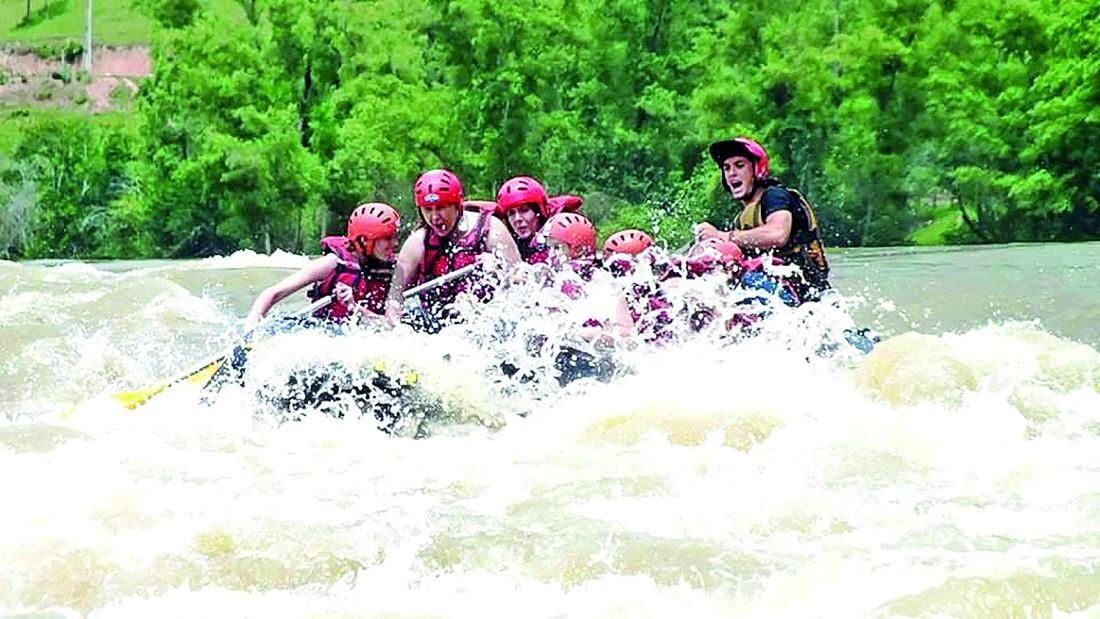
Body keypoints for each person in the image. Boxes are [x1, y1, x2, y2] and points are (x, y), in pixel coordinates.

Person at [693, 136, 830, 302]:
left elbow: (778, 235)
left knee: (740, 282)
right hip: (779, 289)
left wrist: (724, 236)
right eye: (726, 168)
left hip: (805, 294)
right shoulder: (741, 220)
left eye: (740, 165)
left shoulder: (775, 196)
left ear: (756, 169)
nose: (732, 173)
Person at [386, 169, 521, 328]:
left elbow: (519, 283)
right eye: (428, 209)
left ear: (457, 205)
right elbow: (394, 299)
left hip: (486, 321)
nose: (435, 217)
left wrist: (497, 271)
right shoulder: (416, 244)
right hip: (437, 326)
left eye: (441, 207)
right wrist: (397, 325)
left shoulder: (491, 230)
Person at [244, 203, 400, 329]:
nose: (395, 243)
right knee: (280, 324)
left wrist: (354, 307)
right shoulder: (332, 263)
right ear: (363, 241)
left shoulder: (396, 270)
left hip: (362, 341)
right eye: (388, 238)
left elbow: (392, 326)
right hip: (324, 335)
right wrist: (250, 330)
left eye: (395, 236)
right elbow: (272, 294)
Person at [494, 176, 584, 264]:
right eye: (511, 213)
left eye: (524, 210)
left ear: (539, 212)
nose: (517, 219)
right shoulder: (505, 242)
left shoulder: (561, 232)